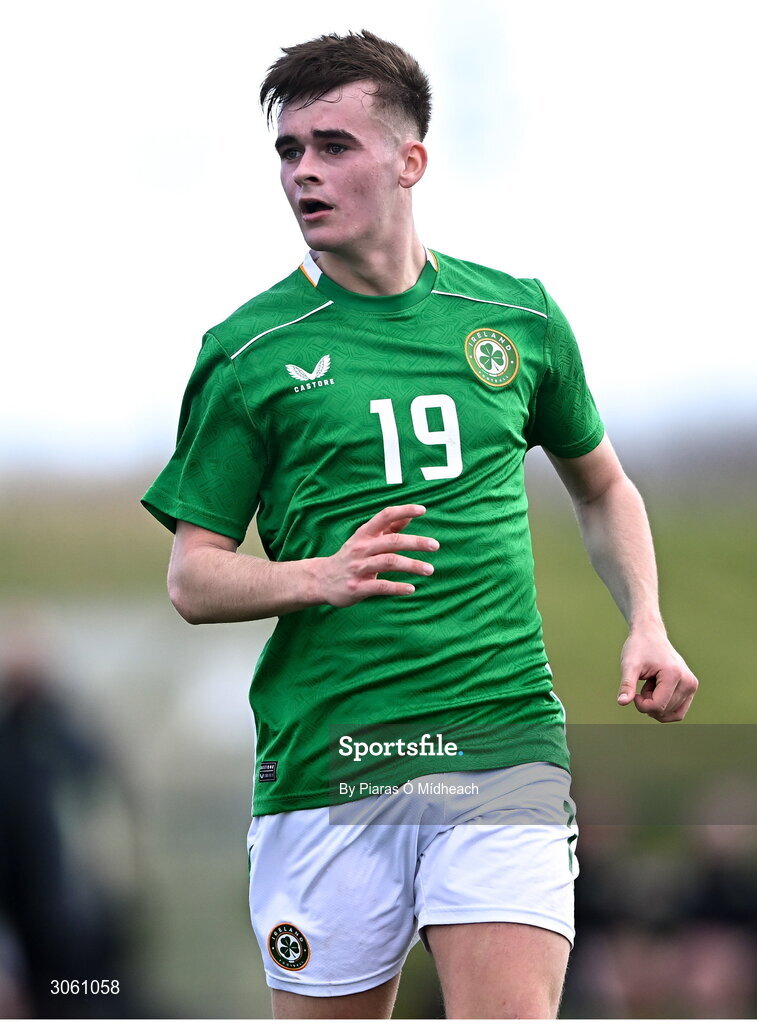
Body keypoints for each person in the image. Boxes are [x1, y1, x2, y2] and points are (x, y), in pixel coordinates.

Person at [142, 29, 698, 1019]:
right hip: (330, 762)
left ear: (409, 162)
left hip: (499, 744)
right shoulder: (249, 353)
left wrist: (645, 619)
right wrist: (316, 576)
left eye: (332, 146)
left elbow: (603, 485)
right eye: (288, 151)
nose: (303, 172)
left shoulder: (514, 317)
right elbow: (193, 577)